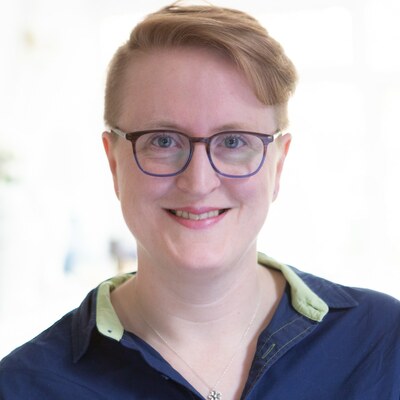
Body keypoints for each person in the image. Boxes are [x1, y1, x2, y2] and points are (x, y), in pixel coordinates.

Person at [1, 3, 399, 399]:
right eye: (163, 141)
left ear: (278, 165)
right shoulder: (23, 387)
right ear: (114, 162)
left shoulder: (383, 342)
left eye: (233, 142)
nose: (198, 182)